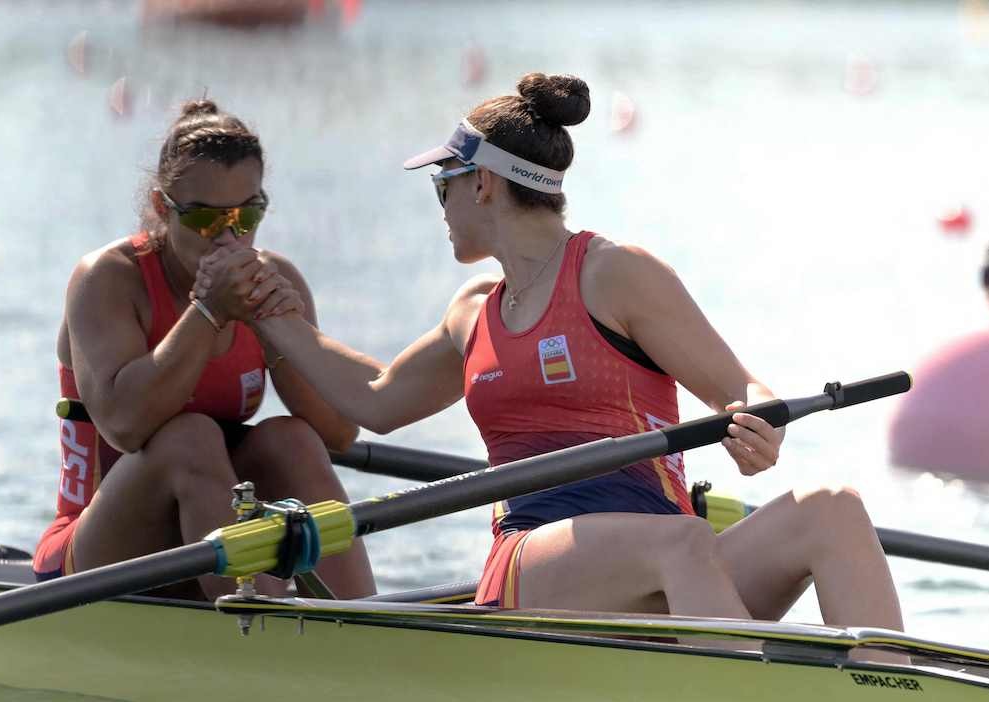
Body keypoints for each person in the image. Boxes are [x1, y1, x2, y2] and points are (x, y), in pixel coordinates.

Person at [200, 73, 903, 630]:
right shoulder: (471, 313)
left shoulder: (615, 274)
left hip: (667, 559)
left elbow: (742, 389)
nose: (439, 207)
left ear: (480, 182)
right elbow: (376, 401)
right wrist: (271, 317)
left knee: (833, 506)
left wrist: (759, 426)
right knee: (683, 545)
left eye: (440, 186)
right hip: (534, 562)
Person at [32, 99, 375, 600]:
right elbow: (125, 425)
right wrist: (208, 313)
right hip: (95, 554)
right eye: (205, 220)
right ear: (160, 207)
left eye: (248, 213)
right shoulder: (107, 280)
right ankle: (262, 625)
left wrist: (279, 329)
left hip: (208, 545)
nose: (231, 235)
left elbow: (339, 433)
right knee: (187, 437)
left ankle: (362, 623)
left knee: (293, 440)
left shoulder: (277, 280)